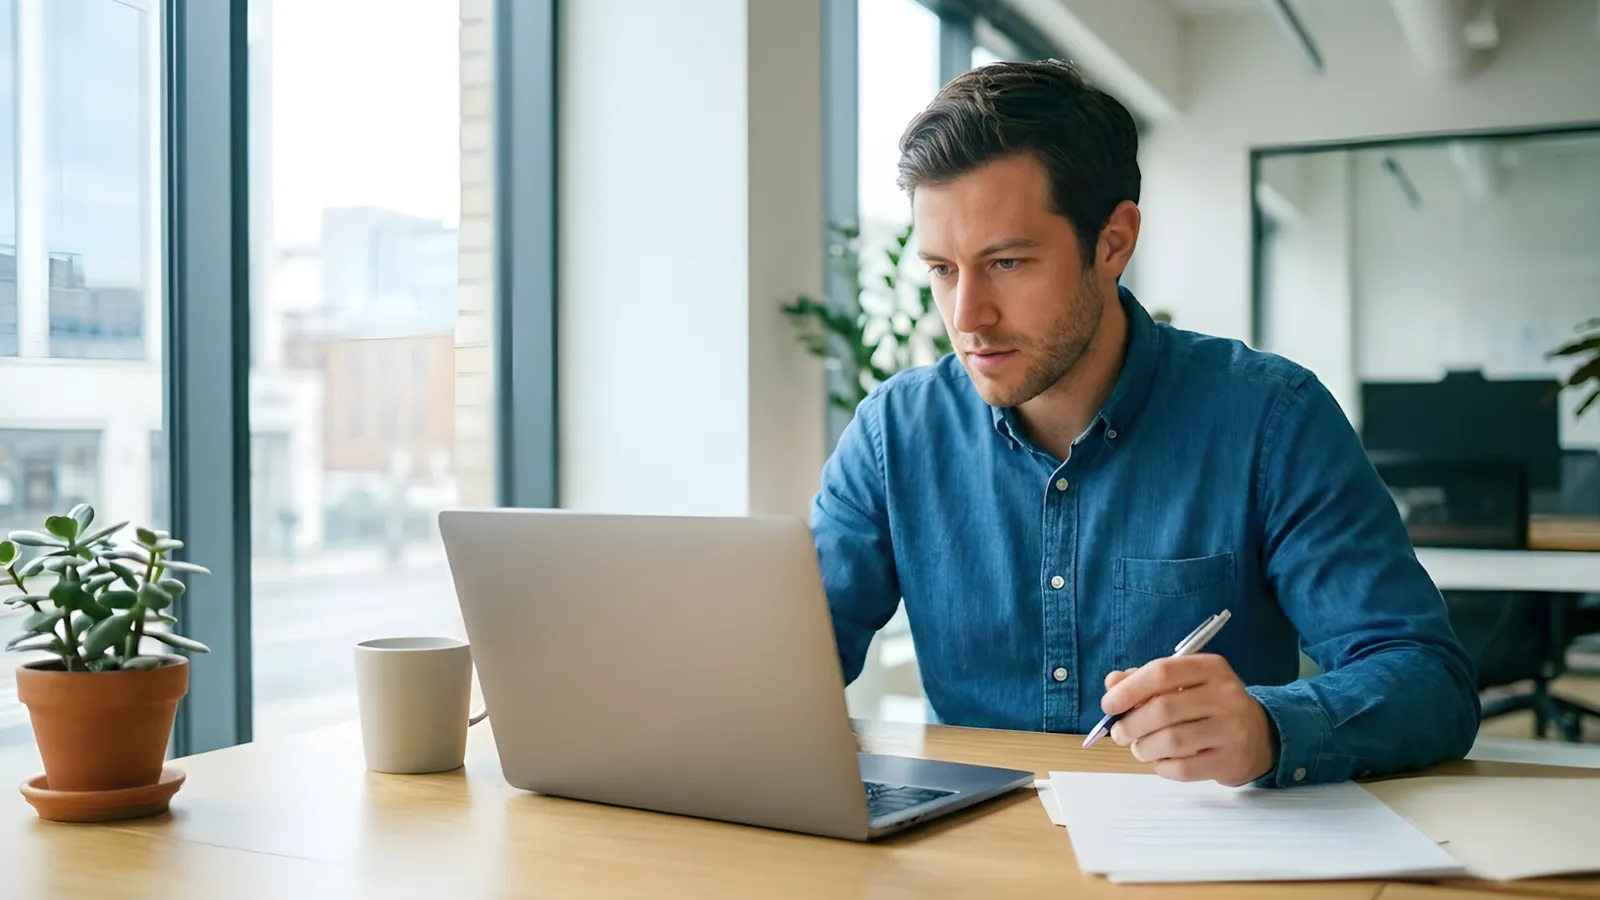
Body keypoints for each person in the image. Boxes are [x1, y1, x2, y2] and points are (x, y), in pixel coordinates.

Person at [810, 60, 1479, 788]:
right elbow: (788, 663)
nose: (967, 318)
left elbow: (1428, 678)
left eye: (1005, 262)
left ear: (1113, 242)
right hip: (973, 858)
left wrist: (1268, 728)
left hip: (1204, 860)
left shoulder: (1271, 420)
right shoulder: (892, 435)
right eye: (942, 269)